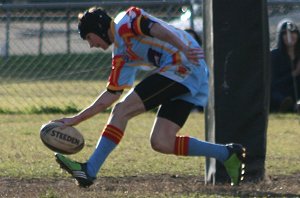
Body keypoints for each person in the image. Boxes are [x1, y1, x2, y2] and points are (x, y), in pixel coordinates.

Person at [53, 6, 246, 187]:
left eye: (88, 37)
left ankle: (90, 170)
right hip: (190, 73)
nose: (91, 45)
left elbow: (155, 28)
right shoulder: (121, 53)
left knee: (121, 110)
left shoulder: (124, 22)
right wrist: (75, 119)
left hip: (182, 65)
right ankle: (227, 153)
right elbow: (111, 95)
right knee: (162, 141)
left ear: (98, 28)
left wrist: (183, 48)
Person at [270, 19, 300, 113]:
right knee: (272, 92)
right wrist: (294, 73)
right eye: (285, 34)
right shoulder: (274, 56)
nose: (290, 36)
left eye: (293, 33)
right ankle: (288, 105)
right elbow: (273, 83)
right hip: (281, 91)